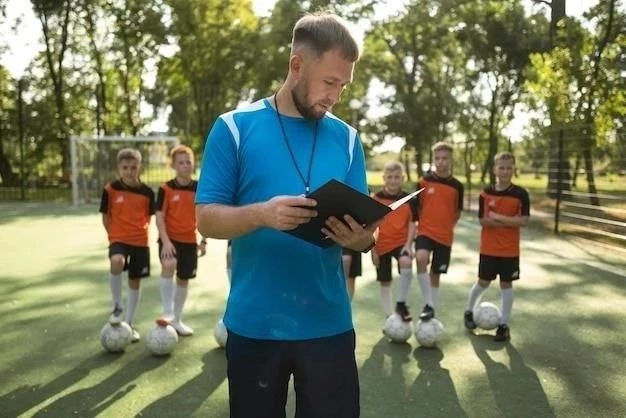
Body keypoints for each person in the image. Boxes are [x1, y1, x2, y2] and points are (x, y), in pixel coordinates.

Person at [196, 12, 374, 418]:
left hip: (329, 326)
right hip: (254, 324)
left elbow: (368, 235)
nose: (336, 96)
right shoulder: (234, 128)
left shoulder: (347, 139)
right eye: (330, 82)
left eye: (343, 85)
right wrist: (260, 214)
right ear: (297, 65)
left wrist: (359, 239)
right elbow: (205, 219)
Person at [464, 152, 530, 341]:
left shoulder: (521, 194)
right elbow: (484, 221)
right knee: (483, 282)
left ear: (514, 169)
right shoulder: (486, 193)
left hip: (510, 250)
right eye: (501, 167)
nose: (505, 171)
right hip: (489, 248)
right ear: (494, 169)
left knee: (506, 284)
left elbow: (524, 221)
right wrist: (511, 222)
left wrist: (498, 217)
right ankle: (469, 311)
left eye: (509, 167)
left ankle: (504, 325)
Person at [99, 148, 155, 342]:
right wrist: (113, 235)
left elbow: (148, 217)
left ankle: (129, 324)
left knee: (135, 280)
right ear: (119, 168)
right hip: (118, 239)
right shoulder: (110, 189)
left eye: (133, 167)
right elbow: (105, 217)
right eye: (125, 168)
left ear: (139, 167)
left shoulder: (148, 192)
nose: (129, 171)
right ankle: (117, 307)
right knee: (117, 261)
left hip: (140, 240)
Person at [155, 144, 206, 337]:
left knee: (184, 278)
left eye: (188, 162)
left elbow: (204, 215)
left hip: (190, 241)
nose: (185, 166)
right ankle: (167, 312)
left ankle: (177, 319)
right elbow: (159, 216)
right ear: (174, 166)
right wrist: (165, 242)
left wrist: (204, 241)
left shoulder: (200, 188)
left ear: (193, 165)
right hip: (170, 239)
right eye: (181, 163)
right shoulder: (165, 188)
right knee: (169, 264)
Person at [414, 142, 464, 321]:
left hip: (445, 236)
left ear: (451, 160)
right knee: (420, 258)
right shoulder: (423, 181)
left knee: (436, 273)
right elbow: (417, 208)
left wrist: (447, 226)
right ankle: (428, 303)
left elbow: (457, 212)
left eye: (445, 158)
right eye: (437, 158)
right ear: (433, 159)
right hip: (425, 232)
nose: (441, 162)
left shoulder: (458, 186)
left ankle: (431, 308)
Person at [370, 161, 417, 322]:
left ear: (402, 178)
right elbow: (371, 225)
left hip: (400, 243)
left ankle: (401, 304)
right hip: (381, 245)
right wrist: (373, 250)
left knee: (406, 262)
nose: (393, 180)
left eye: (397, 177)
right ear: (384, 178)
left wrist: (408, 245)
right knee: (385, 281)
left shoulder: (409, 199)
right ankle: (390, 317)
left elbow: (412, 223)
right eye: (389, 177)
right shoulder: (375, 199)